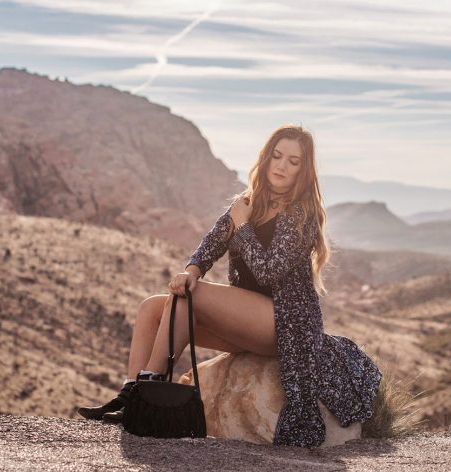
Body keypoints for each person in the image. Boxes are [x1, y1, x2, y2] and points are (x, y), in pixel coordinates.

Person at [78, 124, 382, 448]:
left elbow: (268, 272)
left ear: (303, 170)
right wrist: (191, 270)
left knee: (191, 297)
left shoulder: (300, 215)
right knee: (153, 307)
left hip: (288, 324)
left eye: (293, 161)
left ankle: (145, 393)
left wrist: (244, 226)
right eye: (277, 156)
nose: (281, 166)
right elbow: (210, 244)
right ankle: (131, 395)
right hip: (249, 319)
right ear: (265, 159)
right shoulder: (247, 203)